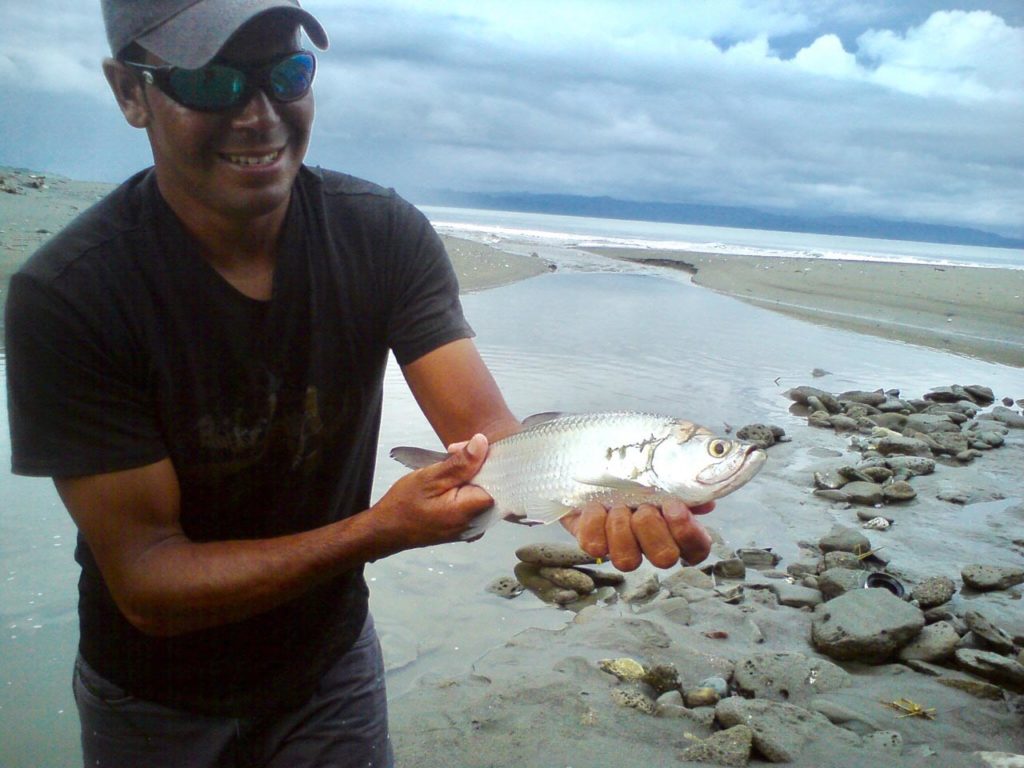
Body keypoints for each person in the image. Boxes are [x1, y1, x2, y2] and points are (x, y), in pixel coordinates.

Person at [3, 1, 713, 765]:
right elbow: (147, 582)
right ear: (129, 92)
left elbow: (489, 442)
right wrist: (376, 532)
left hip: (328, 673)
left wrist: (586, 493)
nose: (260, 114)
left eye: (287, 73)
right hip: (152, 702)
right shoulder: (71, 297)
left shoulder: (379, 234)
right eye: (211, 82)